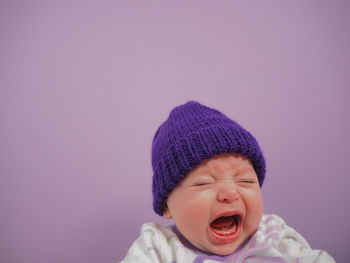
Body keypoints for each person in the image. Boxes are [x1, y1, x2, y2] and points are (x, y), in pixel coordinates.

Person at [119, 101, 335, 263]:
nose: (230, 193)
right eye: (203, 183)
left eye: (245, 180)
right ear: (167, 206)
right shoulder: (156, 247)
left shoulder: (273, 234)